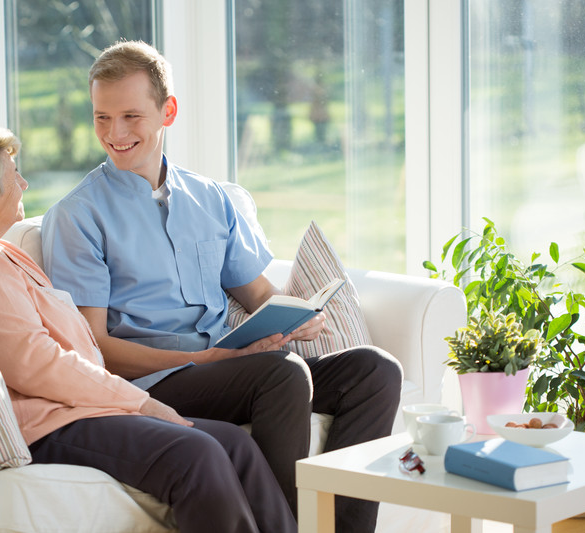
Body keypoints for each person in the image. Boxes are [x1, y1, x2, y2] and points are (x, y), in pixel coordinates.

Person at [41, 40, 403, 532]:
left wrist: (297, 315)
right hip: (156, 379)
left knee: (375, 371)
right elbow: (96, 351)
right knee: (282, 374)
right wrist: (208, 360)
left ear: (167, 111)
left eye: (130, 116)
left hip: (228, 365)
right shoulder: (78, 216)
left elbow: (255, 294)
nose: (115, 133)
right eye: (102, 118)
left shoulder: (210, 198)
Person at [0, 122, 296, 533]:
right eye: (12, 175)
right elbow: (40, 365)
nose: (23, 183)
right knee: (197, 455)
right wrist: (140, 402)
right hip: (52, 424)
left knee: (235, 443)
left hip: (80, 409)